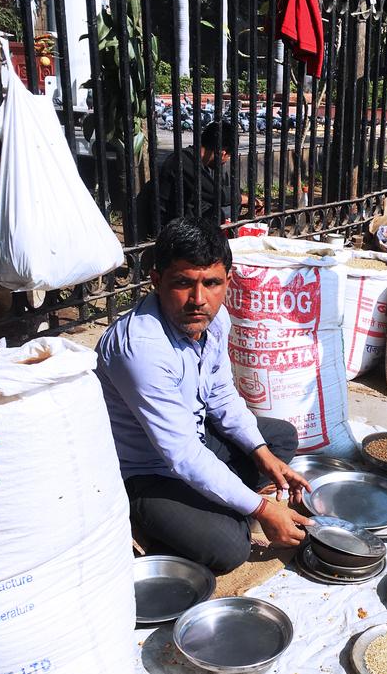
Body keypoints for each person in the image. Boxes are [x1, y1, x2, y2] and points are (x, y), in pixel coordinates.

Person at [96, 218, 309, 574]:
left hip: (195, 439)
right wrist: (262, 510)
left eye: (211, 284)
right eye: (183, 283)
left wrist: (262, 454)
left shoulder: (215, 319)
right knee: (229, 548)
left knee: (279, 439)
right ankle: (147, 521)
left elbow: (222, 395)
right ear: (156, 280)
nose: (199, 300)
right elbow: (181, 455)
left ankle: (218, 501)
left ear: (228, 280)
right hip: (148, 471)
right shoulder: (141, 349)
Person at [158, 120, 239, 225]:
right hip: (174, 226)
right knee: (227, 209)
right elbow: (218, 195)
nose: (227, 160)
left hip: (186, 218)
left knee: (227, 209)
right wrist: (241, 197)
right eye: (229, 156)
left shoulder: (192, 159)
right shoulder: (185, 160)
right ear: (223, 153)